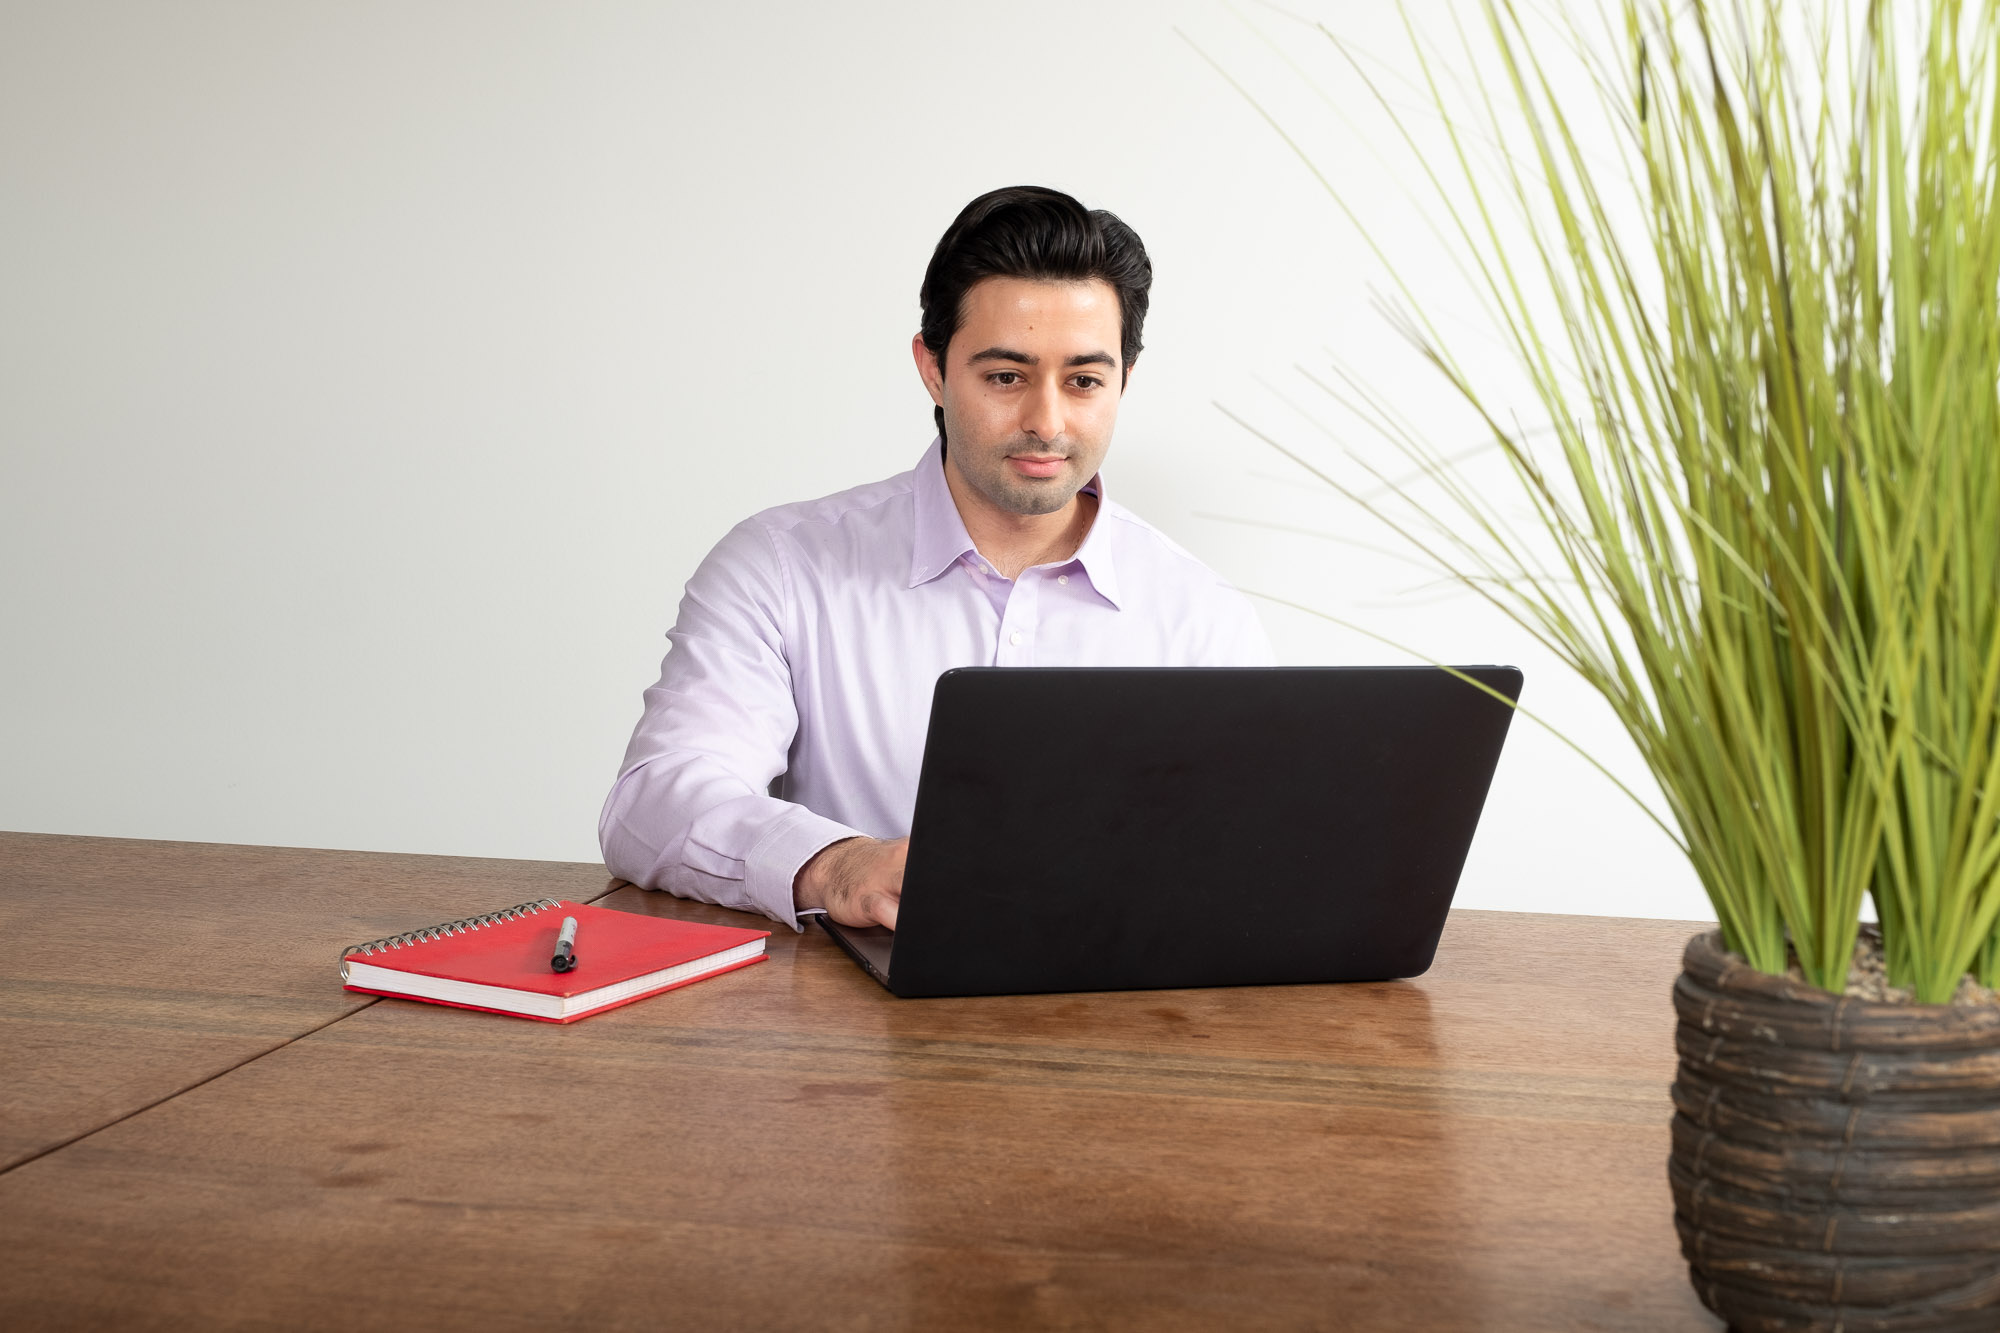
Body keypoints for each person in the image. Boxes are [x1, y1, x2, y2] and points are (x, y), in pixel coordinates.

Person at [600, 185, 1272, 933]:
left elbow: (1251, 861)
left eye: (1085, 380)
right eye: (1005, 377)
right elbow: (653, 801)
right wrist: (835, 863)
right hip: (842, 1032)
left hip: (1124, 1028)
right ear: (932, 369)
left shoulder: (1203, 618)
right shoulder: (781, 569)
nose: (1047, 422)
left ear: (1124, 381)